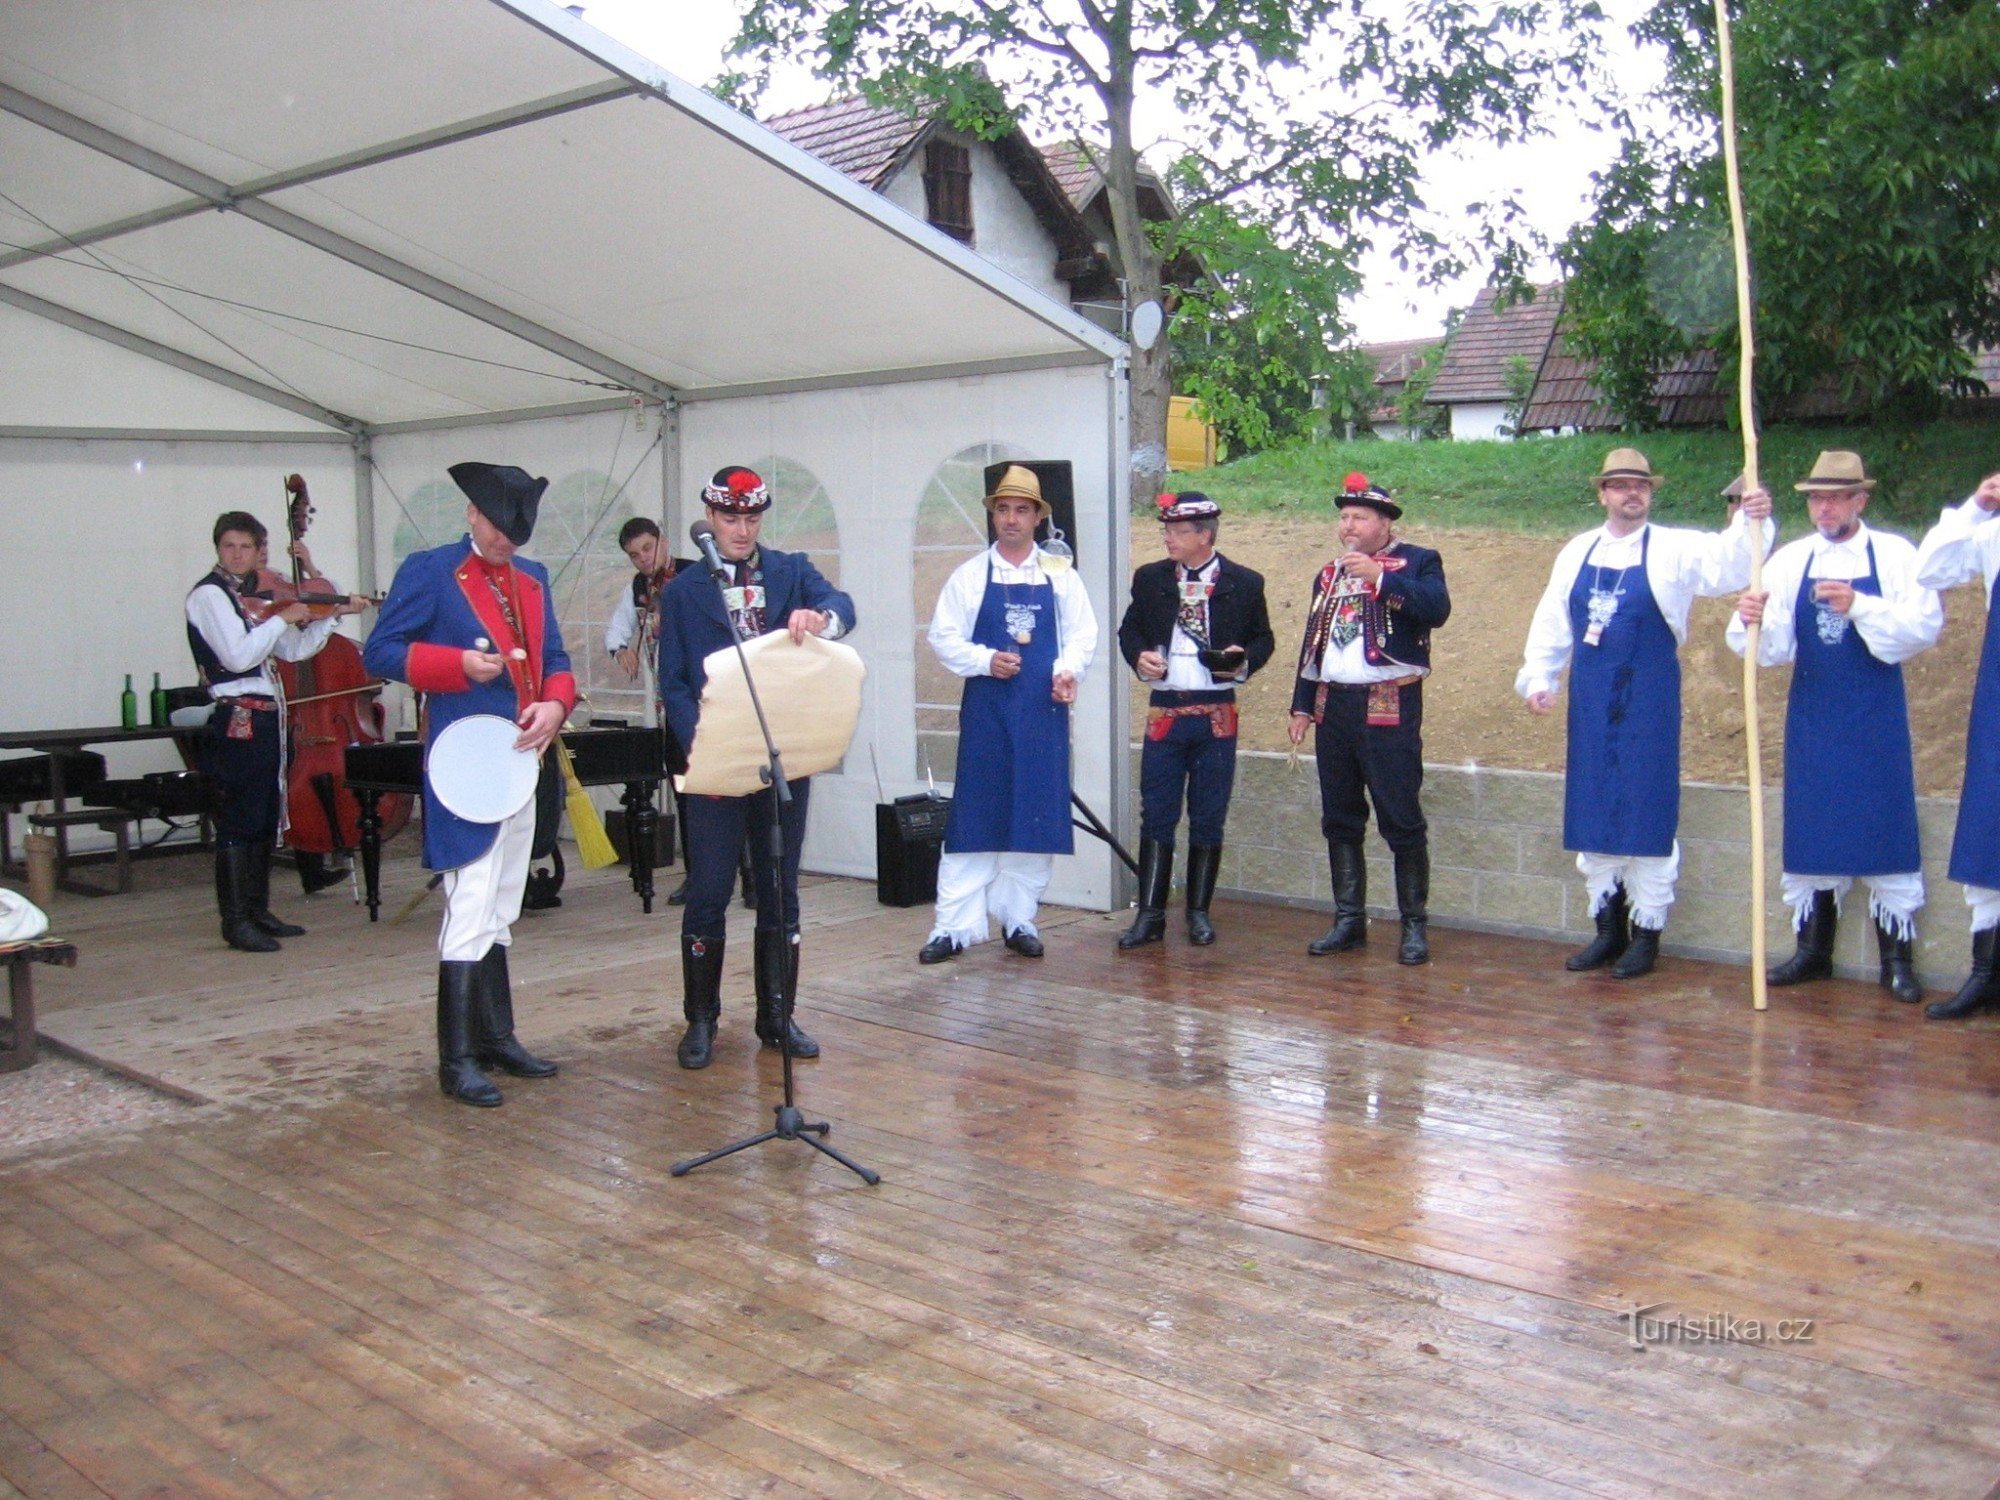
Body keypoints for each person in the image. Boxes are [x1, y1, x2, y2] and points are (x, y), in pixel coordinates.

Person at [362, 463, 576, 1107]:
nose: (508, 542)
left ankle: (496, 1038)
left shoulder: (533, 579)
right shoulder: (430, 570)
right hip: (464, 762)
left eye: (517, 533)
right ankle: (455, 1058)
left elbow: (558, 662)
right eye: (498, 528)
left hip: (520, 758)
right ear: (471, 516)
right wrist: (456, 664)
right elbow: (380, 651)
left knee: (503, 900)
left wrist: (556, 707)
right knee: (470, 899)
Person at [1519, 448, 1773, 979]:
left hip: (1648, 695)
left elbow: (1729, 564)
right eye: (1619, 485)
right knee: (1594, 805)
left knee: (1646, 807)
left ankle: (1646, 934)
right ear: (1603, 493)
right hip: (1592, 696)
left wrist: (1751, 518)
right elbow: (1552, 617)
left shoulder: (1673, 548)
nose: (1630, 493)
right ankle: (1606, 931)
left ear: (1650, 493)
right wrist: (1541, 675)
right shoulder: (1576, 552)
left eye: (1639, 485)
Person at [657, 465, 856, 1069]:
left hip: (782, 757)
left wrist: (821, 619)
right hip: (718, 759)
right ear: (711, 520)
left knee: (779, 890)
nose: (741, 530)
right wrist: (706, 745)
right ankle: (702, 1020)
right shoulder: (684, 589)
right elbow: (675, 682)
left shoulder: (790, 570)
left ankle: (777, 1014)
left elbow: (842, 604)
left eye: (750, 519)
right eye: (729, 518)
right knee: (710, 891)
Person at [1728, 452, 1941, 1002]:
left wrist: (1860, 606)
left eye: (1836, 497)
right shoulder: (1790, 561)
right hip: (1815, 717)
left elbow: (1920, 631)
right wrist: (1748, 620)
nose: (1824, 507)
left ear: (1859, 501)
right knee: (1815, 825)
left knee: (1883, 824)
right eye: (1816, 498)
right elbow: (1769, 650)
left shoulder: (1894, 555)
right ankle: (1812, 951)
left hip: (1875, 719)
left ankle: (1897, 958)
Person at [919, 465, 1099, 964]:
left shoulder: (1061, 576)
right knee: (976, 814)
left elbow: (1083, 634)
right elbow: (943, 637)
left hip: (1042, 712)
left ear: (1038, 518)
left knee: (1036, 815)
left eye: (1022, 510)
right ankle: (952, 926)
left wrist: (1066, 671)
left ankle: (1018, 917)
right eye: (1003, 509)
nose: (1011, 519)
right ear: (993, 516)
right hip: (988, 713)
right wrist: (984, 660)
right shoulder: (970, 576)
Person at [1286, 472, 1451, 965]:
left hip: (1388, 701)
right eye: (1343, 517)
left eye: (1358, 517)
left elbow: (1436, 609)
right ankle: (1348, 919)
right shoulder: (1328, 573)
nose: (1348, 525)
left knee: (1399, 813)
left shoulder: (1419, 561)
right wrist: (1301, 703)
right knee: (1339, 814)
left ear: (1384, 523)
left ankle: (1414, 925)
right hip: (1333, 704)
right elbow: (1312, 639)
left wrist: (1381, 578)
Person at [186, 510, 367, 953]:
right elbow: (237, 655)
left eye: (246, 547)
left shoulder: (251, 598)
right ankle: (236, 919)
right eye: (229, 546)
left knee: (265, 815)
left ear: (257, 549)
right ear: (218, 549)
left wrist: (327, 615)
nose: (238, 554)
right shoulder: (210, 597)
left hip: (270, 714)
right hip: (239, 715)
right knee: (240, 817)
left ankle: (257, 909)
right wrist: (282, 618)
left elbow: (295, 649)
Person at [1115, 490, 1275, 947]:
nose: (1168, 538)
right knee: (1157, 813)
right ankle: (1149, 914)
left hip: (1215, 712)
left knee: (1209, 814)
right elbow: (1131, 629)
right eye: (1166, 530)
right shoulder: (1150, 579)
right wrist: (1140, 656)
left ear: (1204, 535)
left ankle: (1199, 913)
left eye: (1178, 531)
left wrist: (1242, 660)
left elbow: (1263, 639)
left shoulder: (1244, 582)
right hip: (1166, 710)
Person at [1913, 468, 2000, 1019]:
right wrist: (1976, 506)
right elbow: (1931, 569)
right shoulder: (1993, 535)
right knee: (1993, 826)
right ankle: (1987, 973)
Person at [603, 515, 711, 908]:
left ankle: (748, 877)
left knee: (732, 786)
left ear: (662, 541)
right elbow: (615, 630)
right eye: (634, 555)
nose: (643, 560)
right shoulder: (638, 587)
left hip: (711, 697)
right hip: (674, 706)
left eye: (648, 549)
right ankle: (696, 876)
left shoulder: (695, 573)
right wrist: (622, 648)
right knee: (684, 789)